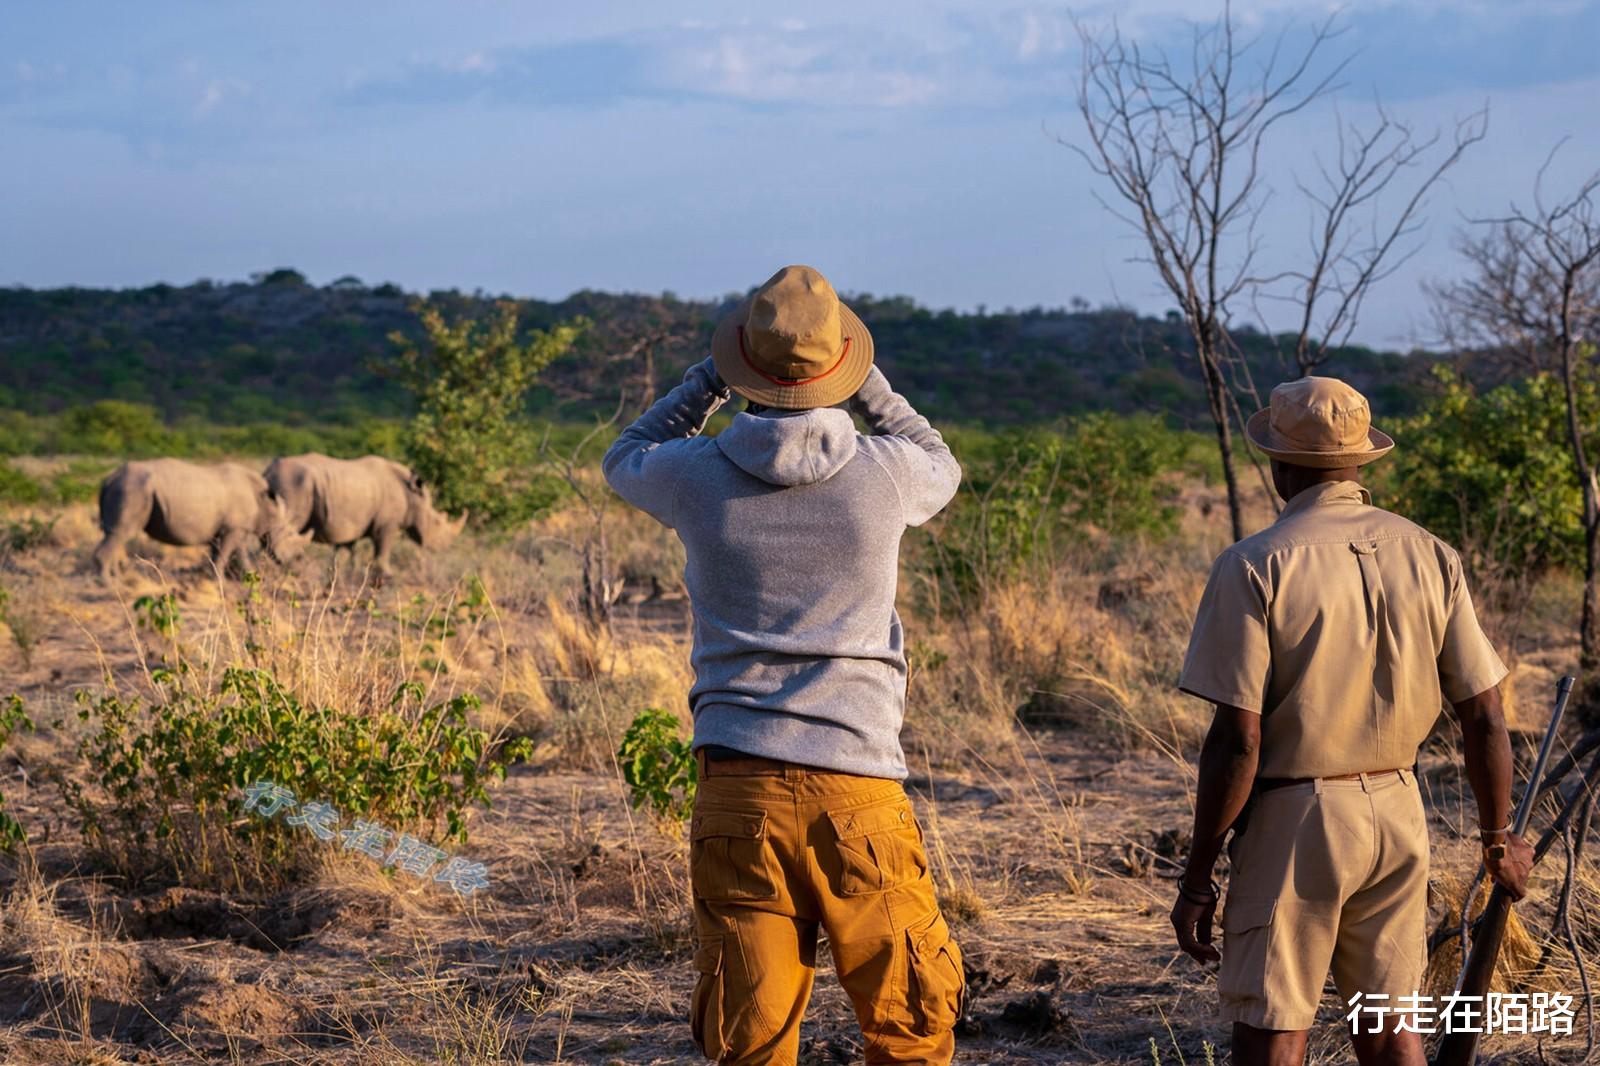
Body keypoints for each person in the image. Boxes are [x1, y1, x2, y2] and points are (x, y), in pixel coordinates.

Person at [603, 264, 966, 1065]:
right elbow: (939, 455)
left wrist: (706, 382)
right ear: (839, 364)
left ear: (743, 368)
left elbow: (624, 454)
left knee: (751, 1038)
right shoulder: (887, 473)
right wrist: (870, 385)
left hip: (739, 788)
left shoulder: (694, 475)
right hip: (860, 787)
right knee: (910, 1029)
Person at [1171, 376, 1535, 1066]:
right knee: (1390, 1027)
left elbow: (1239, 740)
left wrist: (1197, 878)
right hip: (1400, 812)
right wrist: (1498, 838)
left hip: (1296, 821)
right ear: (1361, 460)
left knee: (1274, 1030)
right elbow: (1486, 714)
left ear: (1279, 466)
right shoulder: (1430, 553)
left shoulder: (1255, 564)